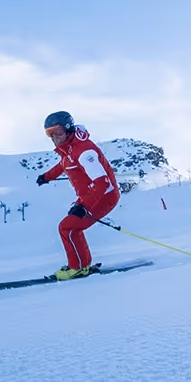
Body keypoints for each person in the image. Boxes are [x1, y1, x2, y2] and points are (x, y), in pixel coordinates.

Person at [35, 111, 121, 279]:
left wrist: (84, 206)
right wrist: (47, 177)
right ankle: (82, 265)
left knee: (66, 227)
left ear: (68, 129)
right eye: (49, 133)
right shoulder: (68, 150)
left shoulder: (84, 152)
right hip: (89, 197)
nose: (54, 137)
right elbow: (64, 165)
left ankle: (77, 268)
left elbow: (102, 183)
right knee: (71, 229)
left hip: (104, 197)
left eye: (57, 131)